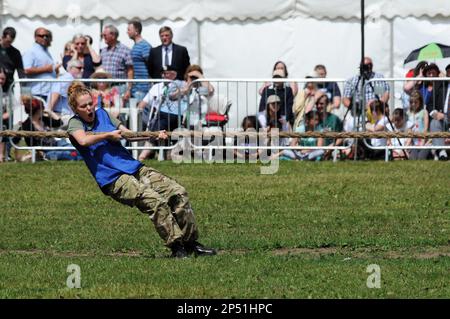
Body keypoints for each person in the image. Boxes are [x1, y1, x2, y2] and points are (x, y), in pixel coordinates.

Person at [66, 81, 216, 258]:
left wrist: (152, 135)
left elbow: (128, 135)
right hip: (113, 178)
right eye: (84, 106)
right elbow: (83, 141)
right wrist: (107, 135)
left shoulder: (102, 114)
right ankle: (177, 247)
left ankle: (191, 244)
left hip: (133, 167)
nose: (90, 108)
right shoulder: (75, 124)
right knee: (155, 202)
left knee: (178, 193)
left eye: (91, 103)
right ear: (76, 109)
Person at [13, 95, 82, 161]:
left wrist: (50, 112)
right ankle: (79, 156)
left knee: (75, 148)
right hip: (46, 151)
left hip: (57, 144)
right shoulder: (26, 125)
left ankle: (79, 155)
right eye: (42, 108)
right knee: (65, 154)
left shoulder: (43, 119)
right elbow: (15, 140)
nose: (44, 110)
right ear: (38, 110)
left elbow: (59, 122)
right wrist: (18, 157)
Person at [22, 28, 61, 101]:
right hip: (37, 93)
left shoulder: (46, 52)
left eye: (47, 36)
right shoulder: (31, 52)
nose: (45, 38)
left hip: (48, 92)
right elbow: (26, 70)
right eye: (41, 36)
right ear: (35, 37)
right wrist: (46, 69)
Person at [100, 25, 134, 103]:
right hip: (105, 88)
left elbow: (130, 71)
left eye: (105, 35)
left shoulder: (125, 50)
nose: (103, 37)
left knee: (119, 112)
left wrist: (128, 90)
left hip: (120, 87)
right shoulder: (103, 51)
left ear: (113, 35)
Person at [47, 59, 84, 126]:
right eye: (79, 68)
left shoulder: (69, 78)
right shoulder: (67, 78)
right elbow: (56, 92)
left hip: (65, 114)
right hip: (62, 114)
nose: (82, 70)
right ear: (70, 68)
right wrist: (50, 110)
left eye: (82, 68)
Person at [127, 20, 152, 102]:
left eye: (129, 30)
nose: (127, 32)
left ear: (136, 31)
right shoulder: (135, 45)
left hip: (143, 88)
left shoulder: (145, 46)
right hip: (136, 88)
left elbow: (151, 64)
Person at [0, 26, 25, 93]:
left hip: (8, 87)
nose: (9, 44)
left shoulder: (15, 53)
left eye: (11, 42)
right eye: (7, 41)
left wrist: (24, 91)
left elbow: (21, 72)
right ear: (3, 37)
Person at [407, 90, 430, 160]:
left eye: (415, 102)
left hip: (424, 141)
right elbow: (408, 129)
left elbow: (426, 129)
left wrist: (423, 142)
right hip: (413, 142)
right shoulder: (408, 113)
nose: (413, 104)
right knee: (413, 158)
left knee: (420, 158)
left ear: (420, 102)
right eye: (411, 102)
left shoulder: (424, 112)